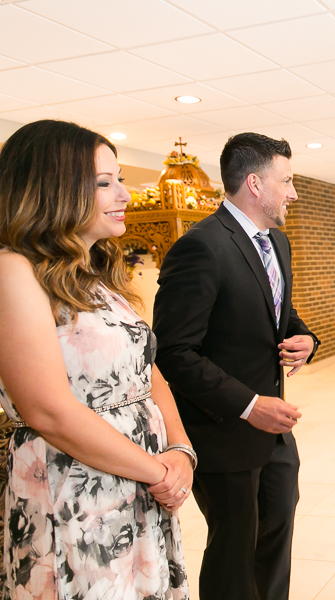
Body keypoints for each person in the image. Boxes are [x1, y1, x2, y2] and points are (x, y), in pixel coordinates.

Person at [0, 119, 192, 599]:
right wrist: (157, 471)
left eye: (119, 179)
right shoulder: (13, 270)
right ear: (53, 189)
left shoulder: (95, 274)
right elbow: (48, 411)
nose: (125, 195)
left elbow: (147, 372)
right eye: (104, 184)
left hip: (138, 484)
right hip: (75, 492)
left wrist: (181, 450)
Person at [153, 133, 320, 600]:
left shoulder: (278, 244)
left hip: (275, 436)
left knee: (275, 544)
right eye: (286, 181)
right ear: (254, 183)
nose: (293, 192)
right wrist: (249, 406)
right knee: (234, 553)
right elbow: (173, 352)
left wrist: (307, 338)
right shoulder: (200, 247)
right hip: (223, 433)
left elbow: (279, 314)